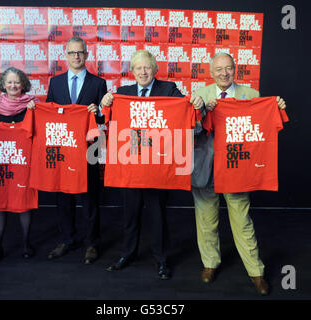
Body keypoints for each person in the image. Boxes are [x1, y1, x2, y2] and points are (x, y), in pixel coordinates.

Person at [100, 50, 204, 279]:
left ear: (155, 69)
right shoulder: (122, 93)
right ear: (132, 71)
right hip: (131, 165)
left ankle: (161, 258)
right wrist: (104, 104)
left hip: (157, 165)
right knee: (130, 214)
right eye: (138, 68)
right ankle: (127, 254)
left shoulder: (168, 89)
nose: (143, 72)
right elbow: (104, 118)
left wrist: (197, 102)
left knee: (157, 215)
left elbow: (187, 112)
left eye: (147, 67)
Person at [191, 52, 287, 295]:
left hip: (236, 169)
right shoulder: (200, 95)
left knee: (242, 222)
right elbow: (189, 131)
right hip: (206, 168)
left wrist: (275, 108)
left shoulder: (252, 96)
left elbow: (263, 128)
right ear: (211, 73)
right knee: (205, 220)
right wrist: (201, 113)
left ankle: (256, 271)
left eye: (228, 68)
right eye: (219, 69)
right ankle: (210, 264)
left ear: (235, 70)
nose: (224, 73)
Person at [29, 36, 107, 264]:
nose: (76, 56)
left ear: (87, 55)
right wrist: (35, 108)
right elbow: (49, 112)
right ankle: (67, 239)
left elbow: (104, 115)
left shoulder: (97, 83)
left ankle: (92, 243)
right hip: (62, 149)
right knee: (62, 197)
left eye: (80, 52)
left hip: (88, 149)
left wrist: (97, 111)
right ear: (66, 55)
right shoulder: (55, 82)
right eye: (72, 53)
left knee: (90, 197)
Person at [0, 67, 38, 265]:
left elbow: (37, 132)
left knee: (24, 204)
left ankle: (27, 244)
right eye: (10, 82)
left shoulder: (32, 105)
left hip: (23, 160)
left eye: (17, 82)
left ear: (23, 85)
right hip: (2, 161)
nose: (13, 86)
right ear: (3, 84)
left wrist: (32, 112)